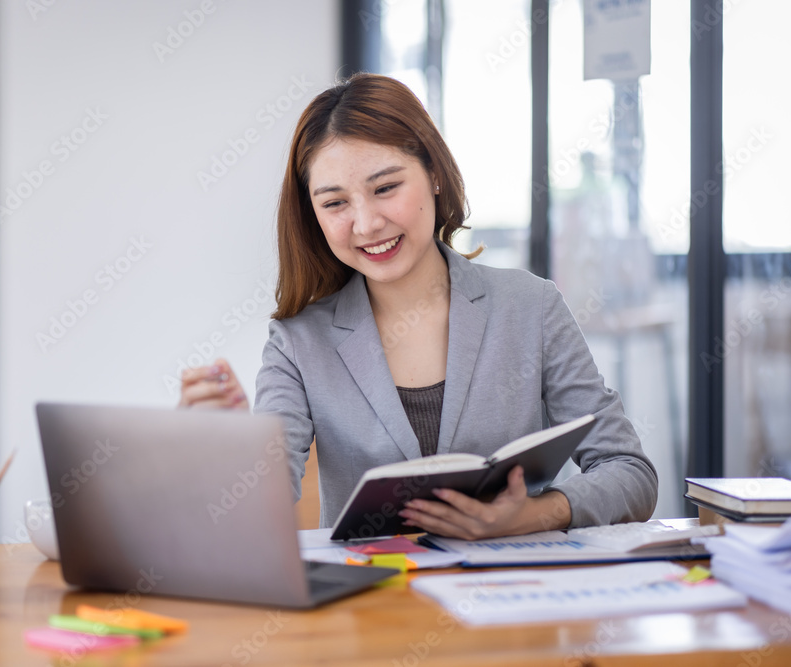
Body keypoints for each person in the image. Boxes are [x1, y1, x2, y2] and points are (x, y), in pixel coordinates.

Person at [180, 73, 658, 539]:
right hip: (374, 610)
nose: (366, 225)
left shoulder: (531, 307)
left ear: (433, 174)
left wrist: (534, 515)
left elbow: (630, 473)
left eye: (386, 188)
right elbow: (256, 514)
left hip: (513, 605)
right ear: (314, 215)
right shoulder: (298, 342)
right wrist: (221, 451)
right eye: (335, 203)